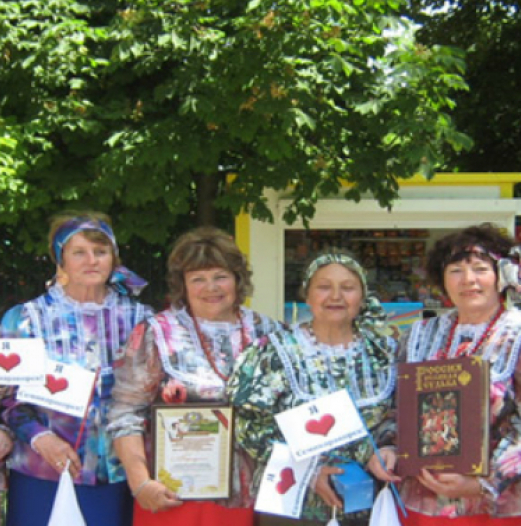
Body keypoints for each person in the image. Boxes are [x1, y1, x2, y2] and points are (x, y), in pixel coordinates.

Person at [372, 224, 521, 526]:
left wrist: (483, 480)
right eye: (456, 270)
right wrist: (388, 447)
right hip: (424, 497)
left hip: (499, 502)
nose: (468, 280)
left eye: (480, 269)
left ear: (501, 276)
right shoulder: (420, 335)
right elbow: (397, 408)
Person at [107, 227, 281, 526]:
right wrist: (141, 483)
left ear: (238, 280)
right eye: (198, 279)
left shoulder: (271, 334)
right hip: (172, 496)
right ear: (182, 285)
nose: (211, 287)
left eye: (220, 276)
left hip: (254, 497)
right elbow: (126, 413)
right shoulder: (158, 333)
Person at [0, 212, 152, 526]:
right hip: (41, 468)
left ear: (113, 258)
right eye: (79, 252)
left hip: (116, 470)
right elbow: (7, 396)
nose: (91, 261)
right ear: (61, 259)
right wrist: (41, 437)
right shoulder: (26, 319)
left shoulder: (142, 319)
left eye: (100, 252)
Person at [227, 252, 396, 526]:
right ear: (307, 295)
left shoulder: (383, 353)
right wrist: (310, 471)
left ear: (362, 297)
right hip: (292, 502)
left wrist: (389, 449)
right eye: (324, 287)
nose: (336, 296)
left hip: (369, 503)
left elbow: (398, 416)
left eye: (348, 288)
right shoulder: (273, 351)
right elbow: (248, 426)